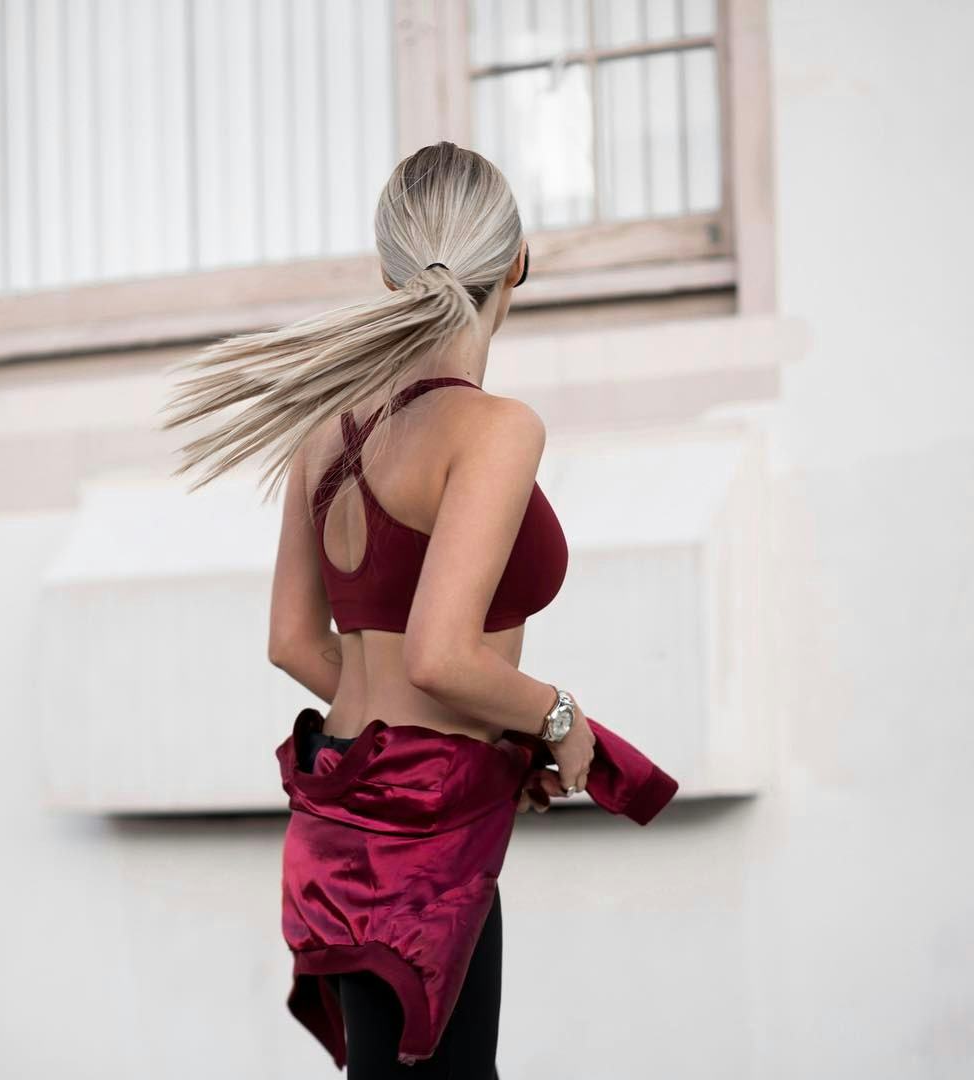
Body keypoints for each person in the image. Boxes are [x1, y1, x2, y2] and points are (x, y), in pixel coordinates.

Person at [160, 141, 677, 1077]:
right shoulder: (494, 427)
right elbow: (442, 655)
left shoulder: (327, 426)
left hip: (339, 826)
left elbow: (292, 642)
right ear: (519, 260)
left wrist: (469, 729)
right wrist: (559, 720)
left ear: (387, 269)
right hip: (424, 845)